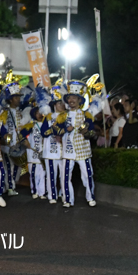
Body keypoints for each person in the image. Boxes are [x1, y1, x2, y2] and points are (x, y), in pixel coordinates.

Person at [55, 80, 96, 208]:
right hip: (68, 151)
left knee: (87, 175)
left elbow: (92, 132)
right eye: (70, 97)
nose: (71, 100)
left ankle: (91, 197)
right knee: (65, 176)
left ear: (79, 100)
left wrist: (86, 132)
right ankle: (68, 199)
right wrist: (64, 131)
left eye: (74, 97)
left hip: (83, 150)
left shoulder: (86, 115)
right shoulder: (62, 116)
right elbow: (55, 129)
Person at [0, 80, 24, 196]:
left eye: (18, 97)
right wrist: (7, 140)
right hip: (8, 144)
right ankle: (9, 187)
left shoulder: (20, 112)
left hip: (18, 144)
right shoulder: (4, 112)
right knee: (8, 166)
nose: (18, 99)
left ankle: (11, 185)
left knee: (17, 166)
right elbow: (1, 127)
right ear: (10, 99)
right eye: (16, 97)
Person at [40, 93, 63, 204]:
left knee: (64, 175)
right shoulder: (48, 117)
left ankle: (63, 193)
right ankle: (52, 195)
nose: (62, 105)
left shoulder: (67, 116)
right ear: (54, 105)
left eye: (63, 103)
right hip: (50, 151)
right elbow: (43, 133)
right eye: (59, 103)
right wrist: (53, 129)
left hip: (63, 151)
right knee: (51, 175)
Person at [20, 105, 45, 199]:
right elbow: (21, 135)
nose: (40, 115)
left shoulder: (46, 124)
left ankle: (42, 192)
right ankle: (34, 191)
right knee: (33, 174)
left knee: (42, 174)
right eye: (37, 113)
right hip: (32, 153)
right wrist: (25, 141)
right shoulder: (31, 125)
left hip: (42, 153)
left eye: (41, 112)